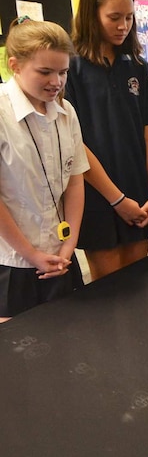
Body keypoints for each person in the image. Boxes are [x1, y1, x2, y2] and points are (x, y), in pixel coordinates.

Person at [65, 0, 148, 281]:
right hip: (97, 193)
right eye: (114, 17)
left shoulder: (136, 65)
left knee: (139, 283)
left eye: (129, 18)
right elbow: (75, 143)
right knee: (110, 292)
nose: (123, 26)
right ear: (92, 15)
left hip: (138, 190)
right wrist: (117, 200)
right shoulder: (71, 67)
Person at [0, 18, 88, 320]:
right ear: (15, 64)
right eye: (45, 72)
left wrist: (69, 243)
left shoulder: (66, 112)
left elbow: (75, 182)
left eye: (63, 72)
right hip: (13, 262)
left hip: (60, 255)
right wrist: (31, 254)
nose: (57, 82)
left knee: (71, 340)